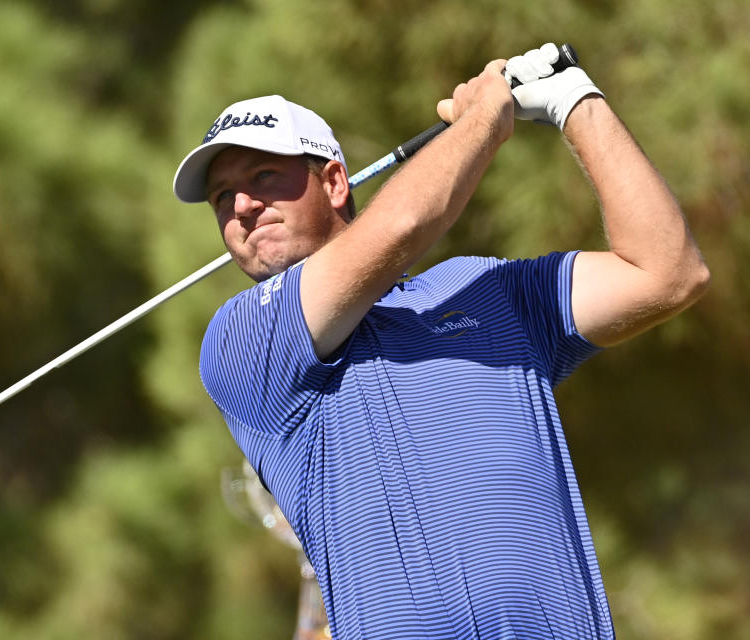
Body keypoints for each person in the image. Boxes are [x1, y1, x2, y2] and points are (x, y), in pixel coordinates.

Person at [172, 43, 709, 640]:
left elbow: (667, 273)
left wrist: (573, 99)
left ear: (333, 182)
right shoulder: (242, 339)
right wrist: (485, 117)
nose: (243, 206)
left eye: (263, 177)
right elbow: (399, 227)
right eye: (223, 197)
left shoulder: (482, 286)